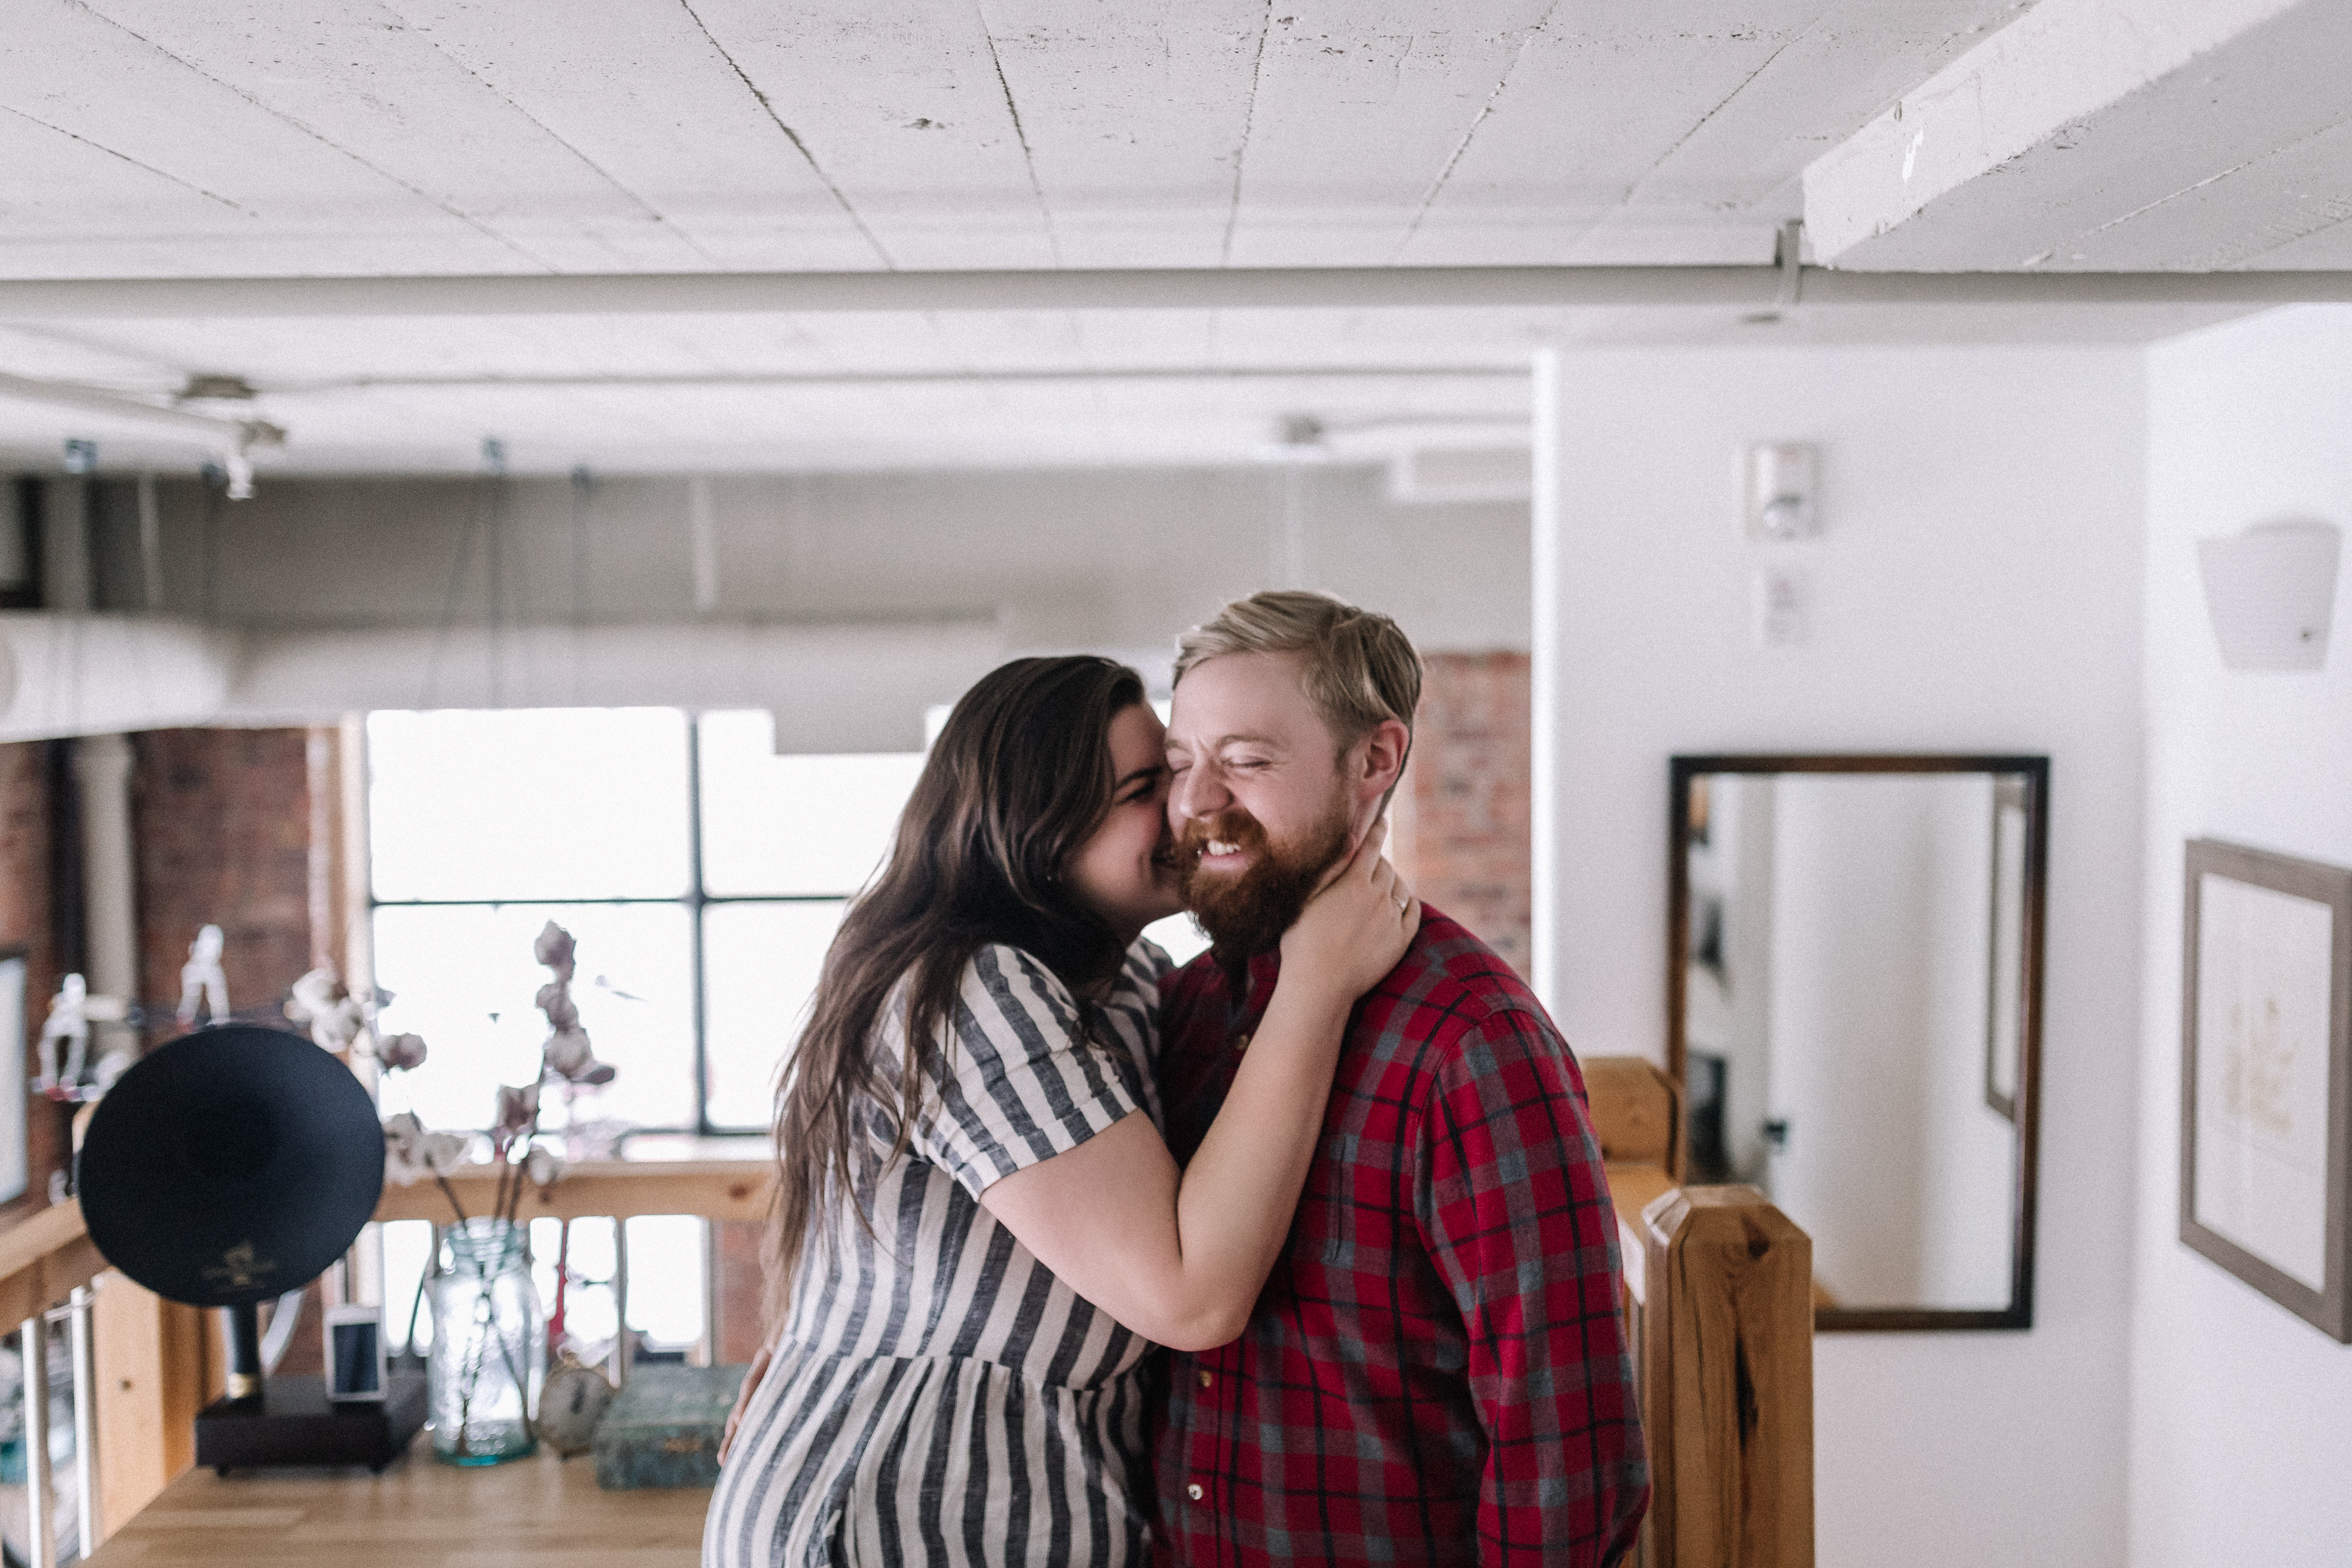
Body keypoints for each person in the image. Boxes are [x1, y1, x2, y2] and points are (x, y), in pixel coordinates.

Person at [707, 654, 1419, 1568]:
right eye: (1142, 788)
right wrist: (1319, 980)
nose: (1185, 807)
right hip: (893, 1521)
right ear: (1036, 829)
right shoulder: (973, 987)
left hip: (1022, 1514)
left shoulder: (1126, 984)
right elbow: (1191, 1295)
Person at [1153, 591, 1648, 1567]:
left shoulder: (1475, 1041)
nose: (1200, 802)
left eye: (1248, 761)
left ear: (1375, 760)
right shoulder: (1186, 1011)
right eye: (1181, 764)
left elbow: (1567, 1446)